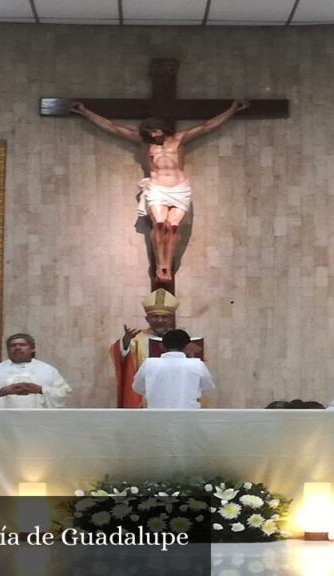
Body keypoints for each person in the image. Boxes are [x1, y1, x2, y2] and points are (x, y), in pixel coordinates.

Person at [69, 99, 249, 285]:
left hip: (179, 188)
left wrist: (232, 110)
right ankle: (159, 266)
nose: (153, 135)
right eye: (149, 133)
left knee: (173, 227)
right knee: (160, 224)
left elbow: (207, 126)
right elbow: (112, 127)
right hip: (157, 187)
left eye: (155, 131)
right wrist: (85, 112)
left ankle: (167, 266)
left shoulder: (179, 139)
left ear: (162, 128)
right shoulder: (145, 142)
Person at [110, 288, 179, 408]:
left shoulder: (181, 341)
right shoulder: (137, 340)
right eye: (155, 316)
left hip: (175, 395)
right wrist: (125, 343)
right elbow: (123, 360)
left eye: (164, 317)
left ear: (172, 319)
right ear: (147, 319)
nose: (160, 320)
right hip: (146, 398)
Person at [0, 333, 71, 409]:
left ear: (32, 349)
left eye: (22, 345)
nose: (17, 347)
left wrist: (40, 389)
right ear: (8, 350)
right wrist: (3, 391)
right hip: (5, 421)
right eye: (13, 345)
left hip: (39, 420)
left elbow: (63, 393)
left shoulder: (48, 370)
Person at [132, 329, 214, 409]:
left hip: (156, 416)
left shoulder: (148, 364)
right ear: (187, 346)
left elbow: (137, 388)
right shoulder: (197, 364)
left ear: (162, 346)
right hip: (189, 417)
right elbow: (208, 388)